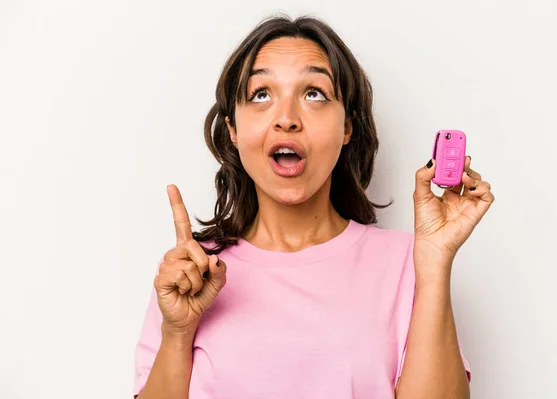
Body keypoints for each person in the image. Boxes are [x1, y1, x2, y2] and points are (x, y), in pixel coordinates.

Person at [133, 14, 494, 399]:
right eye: (261, 94)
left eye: (314, 94)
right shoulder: (189, 272)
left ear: (347, 128)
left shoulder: (412, 261)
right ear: (233, 130)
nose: (286, 119)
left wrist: (436, 261)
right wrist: (177, 332)